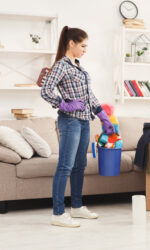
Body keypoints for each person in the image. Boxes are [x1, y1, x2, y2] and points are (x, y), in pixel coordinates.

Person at [41, 26, 115, 228]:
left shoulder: (80, 68)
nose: (85, 49)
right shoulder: (61, 66)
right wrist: (63, 104)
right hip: (70, 121)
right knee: (65, 165)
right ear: (71, 43)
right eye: (82, 45)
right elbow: (45, 90)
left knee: (79, 166)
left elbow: (89, 96)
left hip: (84, 121)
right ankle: (58, 214)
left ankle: (76, 207)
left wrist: (103, 116)